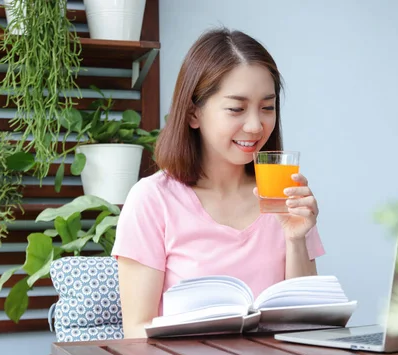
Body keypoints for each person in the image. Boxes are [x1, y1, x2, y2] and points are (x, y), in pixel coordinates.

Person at [111, 27, 325, 338]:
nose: (255, 125)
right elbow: (136, 332)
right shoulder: (153, 199)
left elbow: (308, 326)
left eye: (267, 107)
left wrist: (295, 239)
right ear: (193, 113)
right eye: (236, 109)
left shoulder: (285, 195)